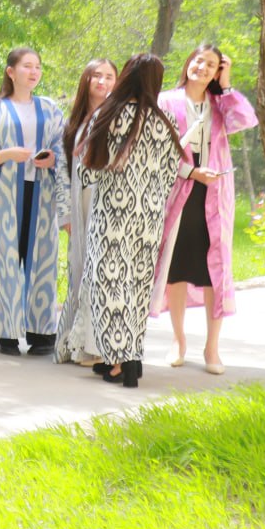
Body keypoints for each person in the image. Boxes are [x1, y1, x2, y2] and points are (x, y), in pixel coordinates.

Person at [151, 43, 258, 374]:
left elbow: (245, 120)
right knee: (178, 268)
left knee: (215, 270)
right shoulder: (166, 101)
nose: (203, 67)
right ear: (188, 63)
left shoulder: (220, 103)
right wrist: (190, 171)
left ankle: (212, 347)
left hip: (214, 192)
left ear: (217, 71)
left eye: (211, 65)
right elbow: (157, 149)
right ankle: (178, 339)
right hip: (178, 189)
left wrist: (225, 85)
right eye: (199, 61)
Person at [77, 54, 182, 387]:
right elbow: (170, 174)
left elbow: (88, 170)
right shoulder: (167, 121)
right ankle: (132, 357)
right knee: (137, 286)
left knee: (109, 284)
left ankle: (118, 362)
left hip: (112, 212)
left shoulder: (109, 114)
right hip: (149, 215)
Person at [0, 47, 69, 356]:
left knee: (42, 259)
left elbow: (63, 147)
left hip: (41, 195)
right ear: (10, 72)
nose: (33, 72)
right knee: (3, 260)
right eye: (27, 66)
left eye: (37, 66)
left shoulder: (51, 109)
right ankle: (6, 333)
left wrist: (53, 158)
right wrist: (6, 155)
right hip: (3, 198)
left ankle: (41, 332)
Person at [55, 58, 118, 365]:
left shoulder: (118, 118)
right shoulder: (73, 123)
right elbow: (62, 171)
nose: (102, 81)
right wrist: (66, 214)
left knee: (100, 274)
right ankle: (73, 340)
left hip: (109, 205)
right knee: (78, 271)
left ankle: (95, 345)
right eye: (96, 76)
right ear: (86, 81)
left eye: (109, 76)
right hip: (80, 204)